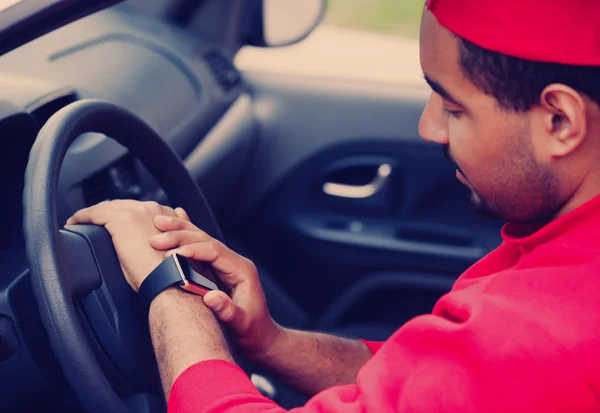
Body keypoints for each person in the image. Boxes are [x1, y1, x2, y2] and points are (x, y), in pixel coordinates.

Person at [66, 0, 600, 411]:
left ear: (560, 121)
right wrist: (271, 342)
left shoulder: (538, 329)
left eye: (453, 107)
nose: (428, 126)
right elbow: (430, 386)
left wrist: (169, 288)